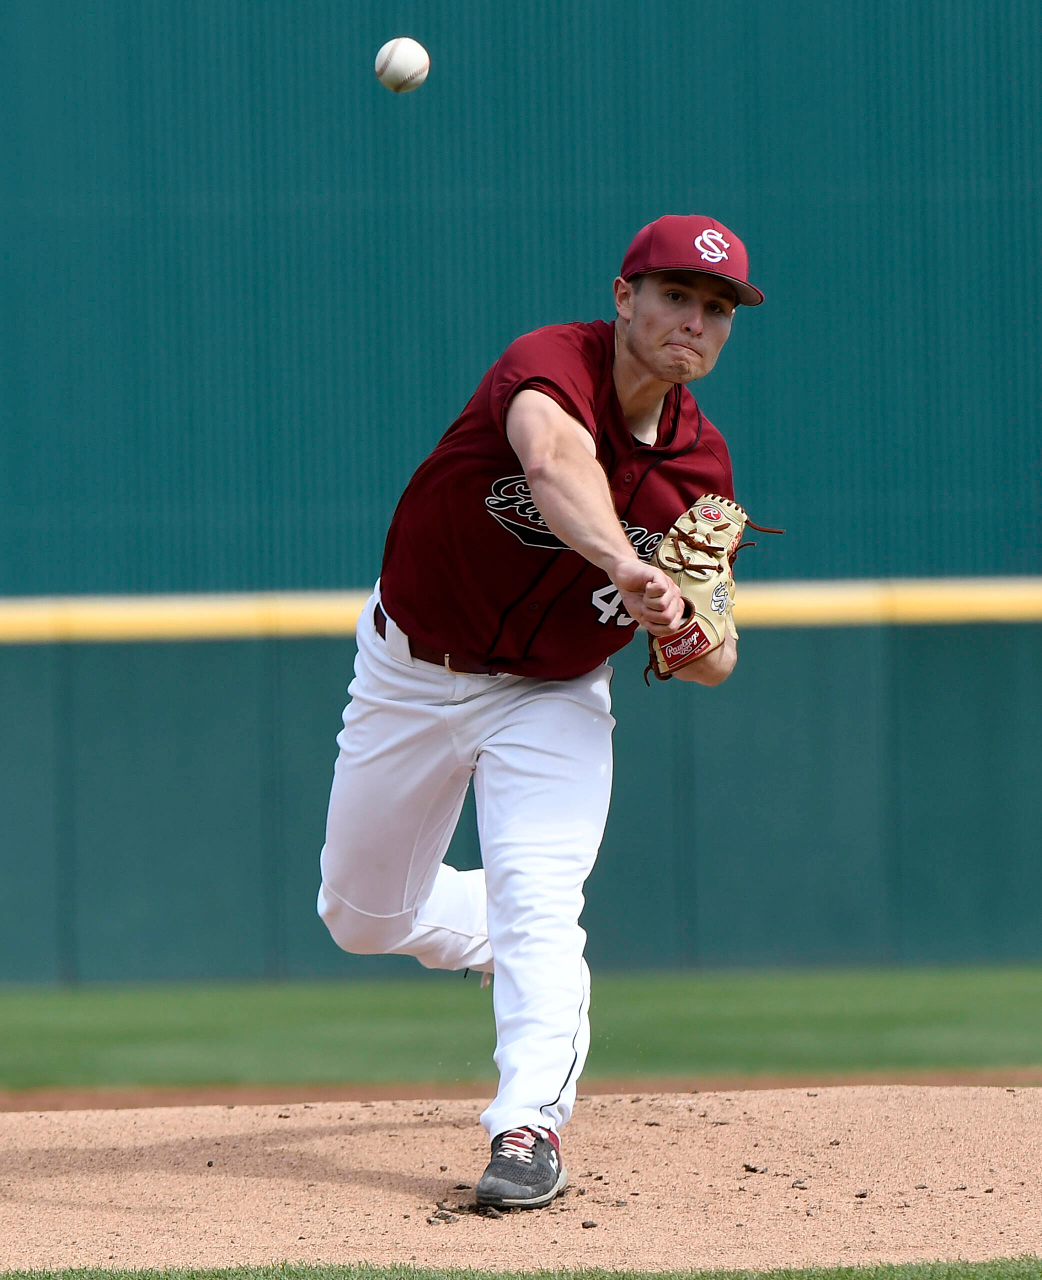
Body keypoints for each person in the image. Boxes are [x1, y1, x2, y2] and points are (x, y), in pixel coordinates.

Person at [317, 214, 764, 1209]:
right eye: (675, 296)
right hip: (411, 670)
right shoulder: (547, 363)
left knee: (543, 902)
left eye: (715, 308)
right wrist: (622, 560)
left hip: (553, 696)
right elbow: (557, 464)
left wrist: (691, 632)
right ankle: (484, 927)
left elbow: (715, 653)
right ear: (623, 297)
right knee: (357, 915)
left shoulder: (702, 472)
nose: (693, 320)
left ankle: (528, 1125)